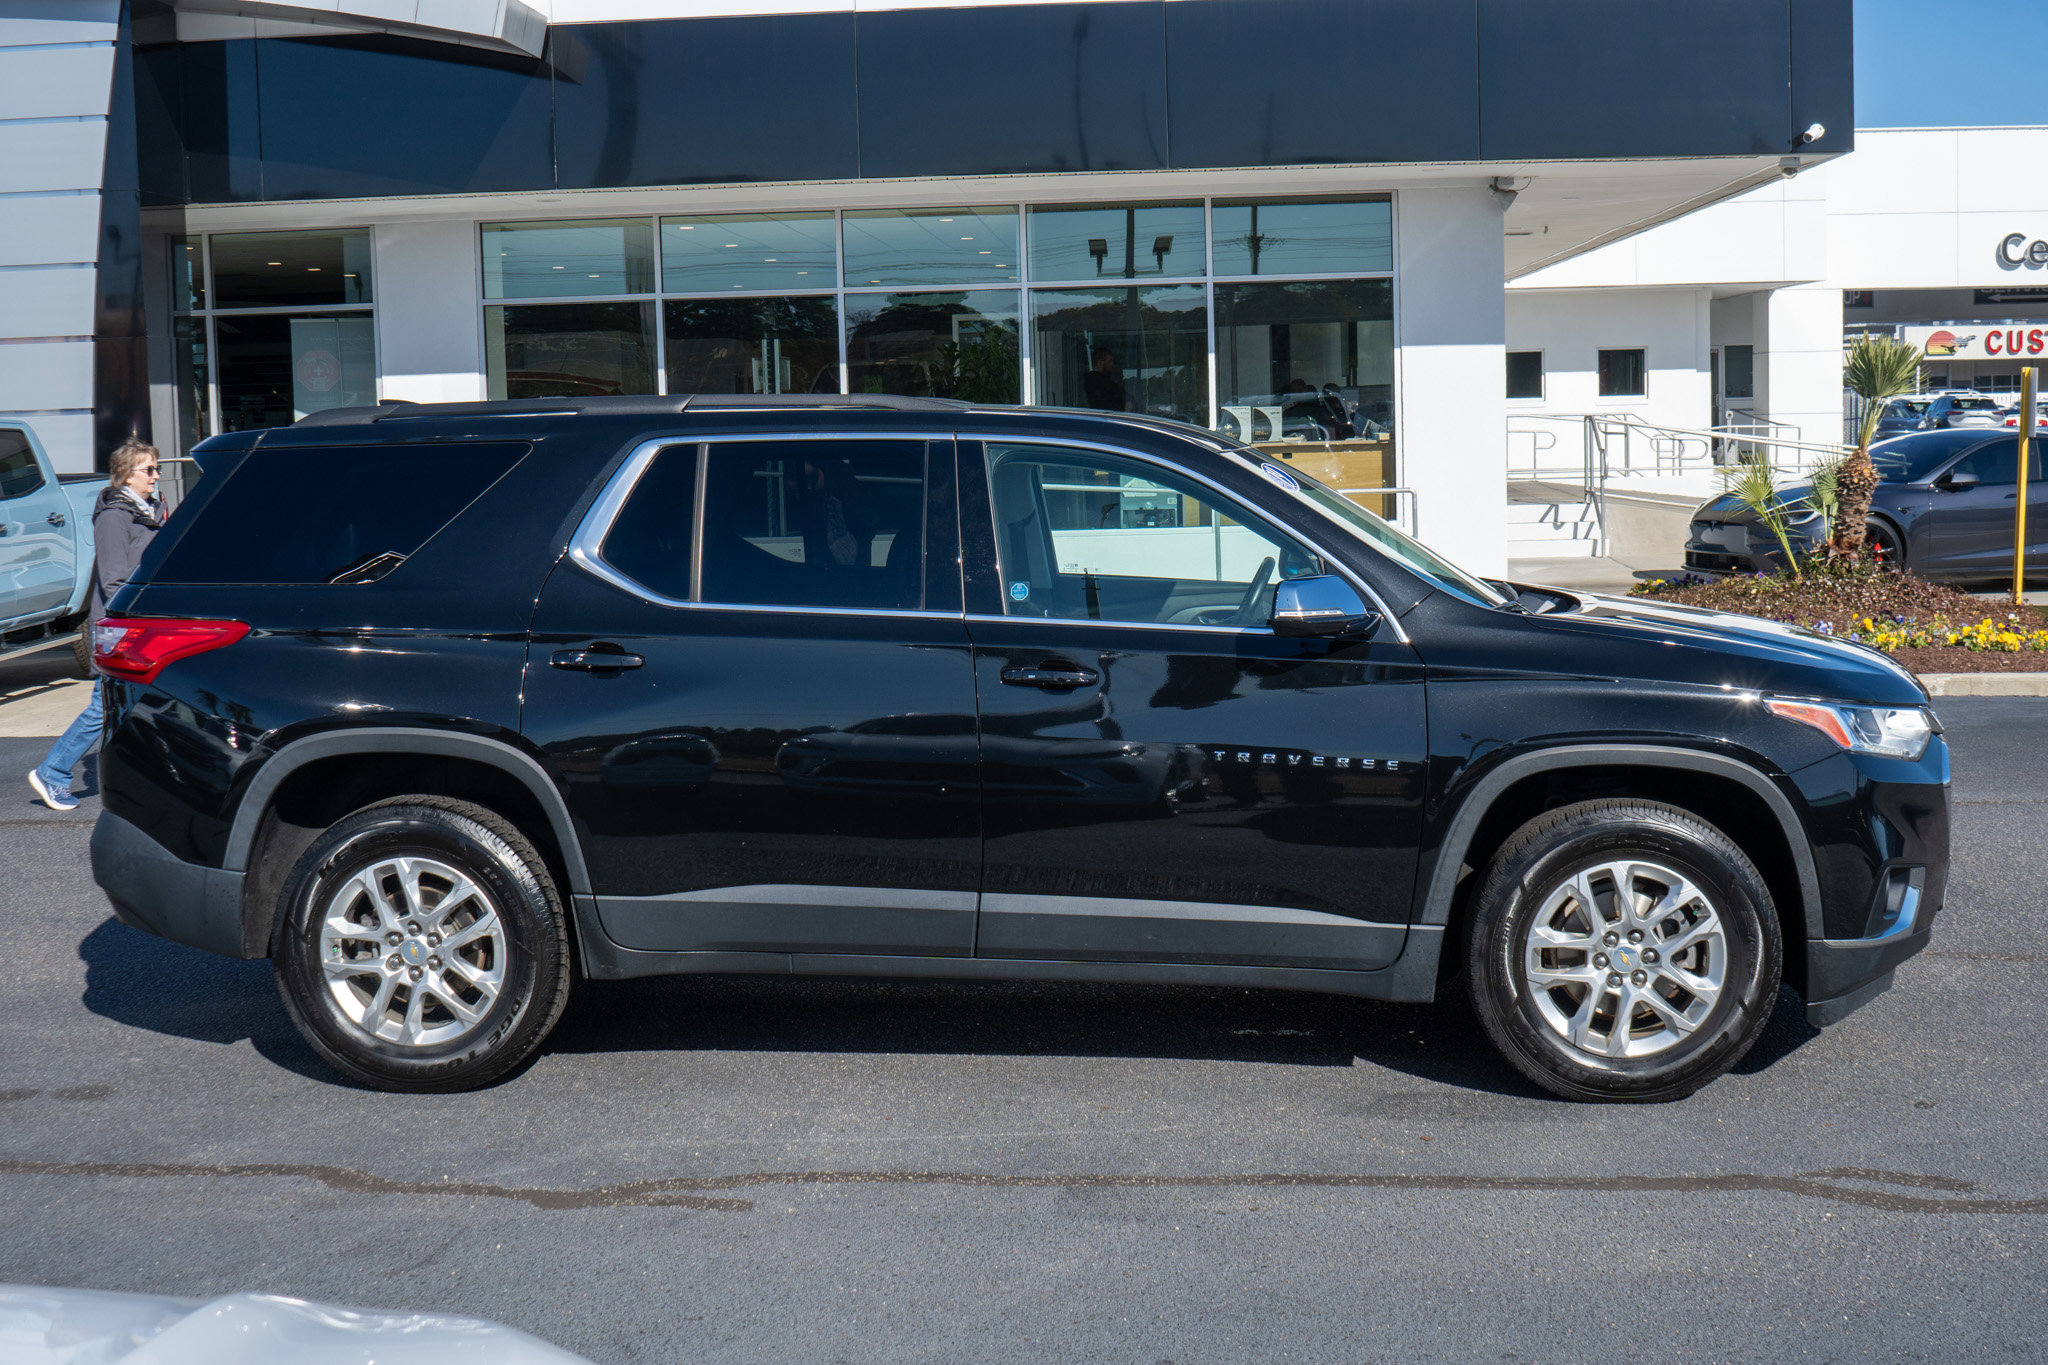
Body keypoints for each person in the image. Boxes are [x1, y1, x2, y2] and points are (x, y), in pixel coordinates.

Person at [27, 440, 164, 812]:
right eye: (148, 469)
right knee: (105, 705)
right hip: (122, 625)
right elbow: (114, 580)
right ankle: (52, 772)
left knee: (138, 703)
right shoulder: (115, 516)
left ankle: (142, 779)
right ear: (126, 475)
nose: (156, 476)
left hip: (142, 623)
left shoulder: (149, 510)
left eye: (157, 468)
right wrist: (138, 621)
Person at [1082, 346, 1129, 412]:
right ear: (1100, 363)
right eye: (1110, 361)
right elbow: (1104, 405)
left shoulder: (1107, 380)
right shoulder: (1094, 382)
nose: (1113, 365)